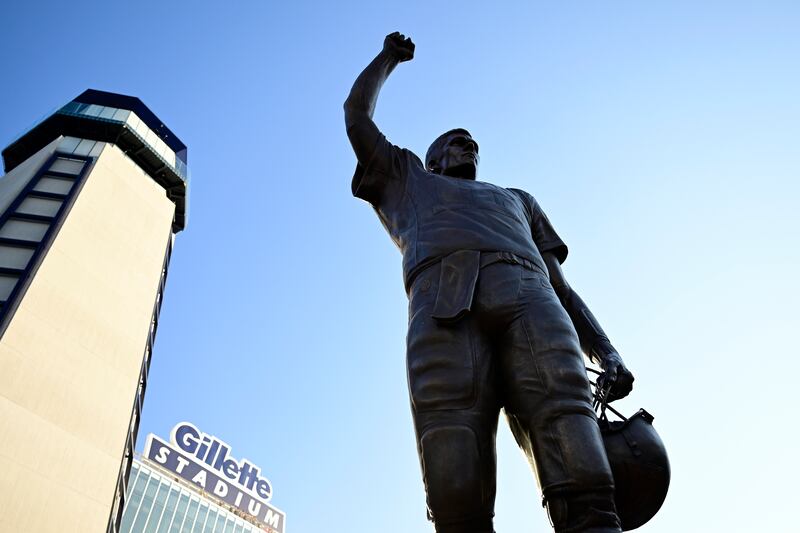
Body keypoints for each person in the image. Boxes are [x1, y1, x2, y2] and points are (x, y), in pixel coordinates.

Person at [344, 32, 635, 533]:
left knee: (575, 448)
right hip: (442, 310)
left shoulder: (518, 199)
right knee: (454, 474)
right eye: (455, 141)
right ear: (433, 159)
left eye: (473, 143)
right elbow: (356, 116)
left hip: (532, 303)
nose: (468, 146)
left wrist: (606, 351)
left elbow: (563, 288)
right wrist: (388, 58)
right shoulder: (408, 181)